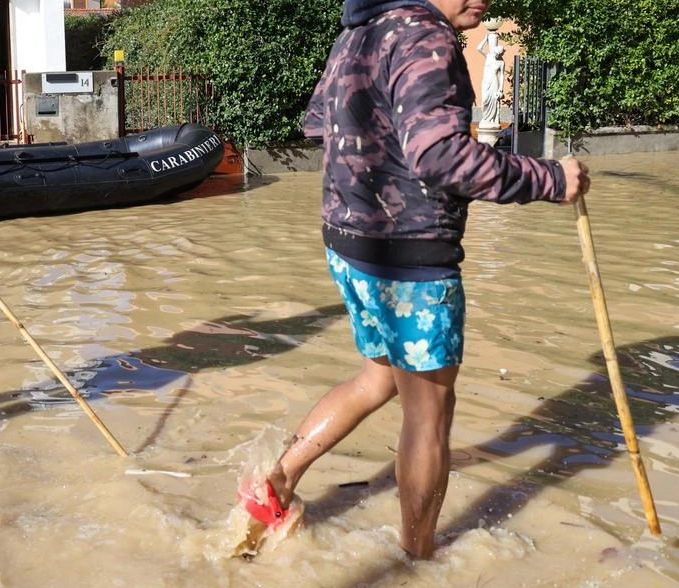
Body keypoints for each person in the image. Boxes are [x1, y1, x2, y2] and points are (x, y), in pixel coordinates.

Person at [238, 0, 590, 560]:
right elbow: (439, 155)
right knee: (428, 416)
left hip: (349, 242)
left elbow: (316, 125)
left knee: (377, 378)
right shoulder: (427, 36)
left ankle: (275, 485)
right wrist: (549, 178)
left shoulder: (359, 30)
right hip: (410, 259)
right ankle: (417, 558)